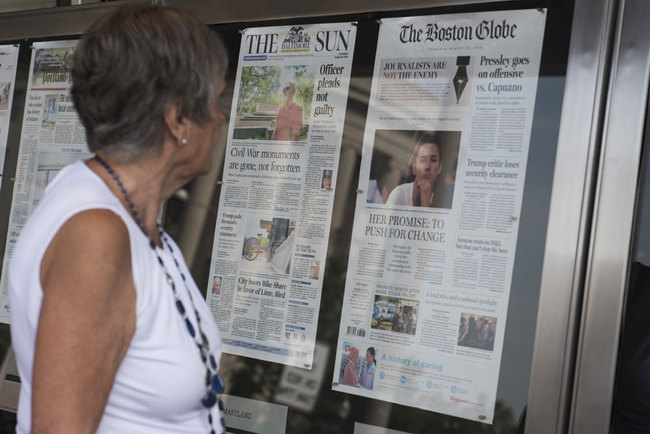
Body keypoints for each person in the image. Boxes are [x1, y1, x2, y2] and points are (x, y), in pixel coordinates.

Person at [8, 4, 228, 433]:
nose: (220, 117)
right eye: (216, 100)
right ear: (178, 118)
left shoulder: (130, 216)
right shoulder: (96, 235)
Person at [385, 132, 446, 208]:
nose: (427, 167)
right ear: (414, 168)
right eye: (423, 160)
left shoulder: (440, 202)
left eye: (433, 160)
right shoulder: (399, 193)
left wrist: (425, 203)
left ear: (440, 167)